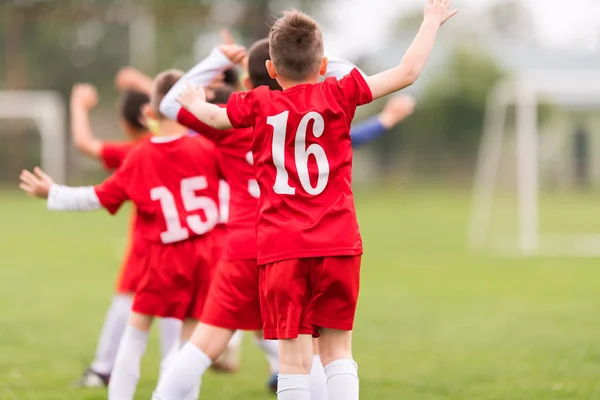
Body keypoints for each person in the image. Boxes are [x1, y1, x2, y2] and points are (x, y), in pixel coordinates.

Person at [170, 2, 456, 399]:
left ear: (270, 72)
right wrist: (430, 21)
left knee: (292, 361)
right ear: (323, 66)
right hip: (338, 242)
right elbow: (408, 72)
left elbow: (215, 119)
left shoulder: (259, 103)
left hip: (281, 248)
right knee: (338, 352)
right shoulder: (340, 93)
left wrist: (191, 101)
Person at [19, 70, 224, 400]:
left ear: (150, 112)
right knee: (190, 344)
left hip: (164, 258)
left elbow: (97, 197)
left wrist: (53, 193)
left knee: (136, 331)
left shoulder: (140, 156)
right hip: (207, 256)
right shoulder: (209, 148)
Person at [69, 81, 182, 388]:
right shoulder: (180, 141)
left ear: (124, 123)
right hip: (187, 243)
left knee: (127, 308)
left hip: (149, 245)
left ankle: (104, 368)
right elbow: (171, 104)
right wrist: (142, 82)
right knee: (175, 312)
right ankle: (174, 376)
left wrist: (78, 105)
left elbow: (84, 142)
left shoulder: (135, 152)